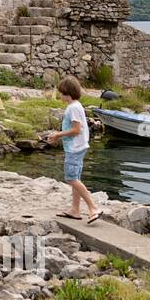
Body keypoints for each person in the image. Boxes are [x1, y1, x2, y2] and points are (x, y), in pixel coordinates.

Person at [47, 76, 100, 223]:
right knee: (75, 178)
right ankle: (75, 210)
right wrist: (59, 137)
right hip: (78, 147)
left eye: (61, 92)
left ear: (66, 93)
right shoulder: (75, 106)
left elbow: (76, 130)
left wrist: (58, 134)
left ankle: (93, 208)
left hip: (74, 148)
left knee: (70, 178)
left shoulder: (73, 108)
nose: (59, 95)